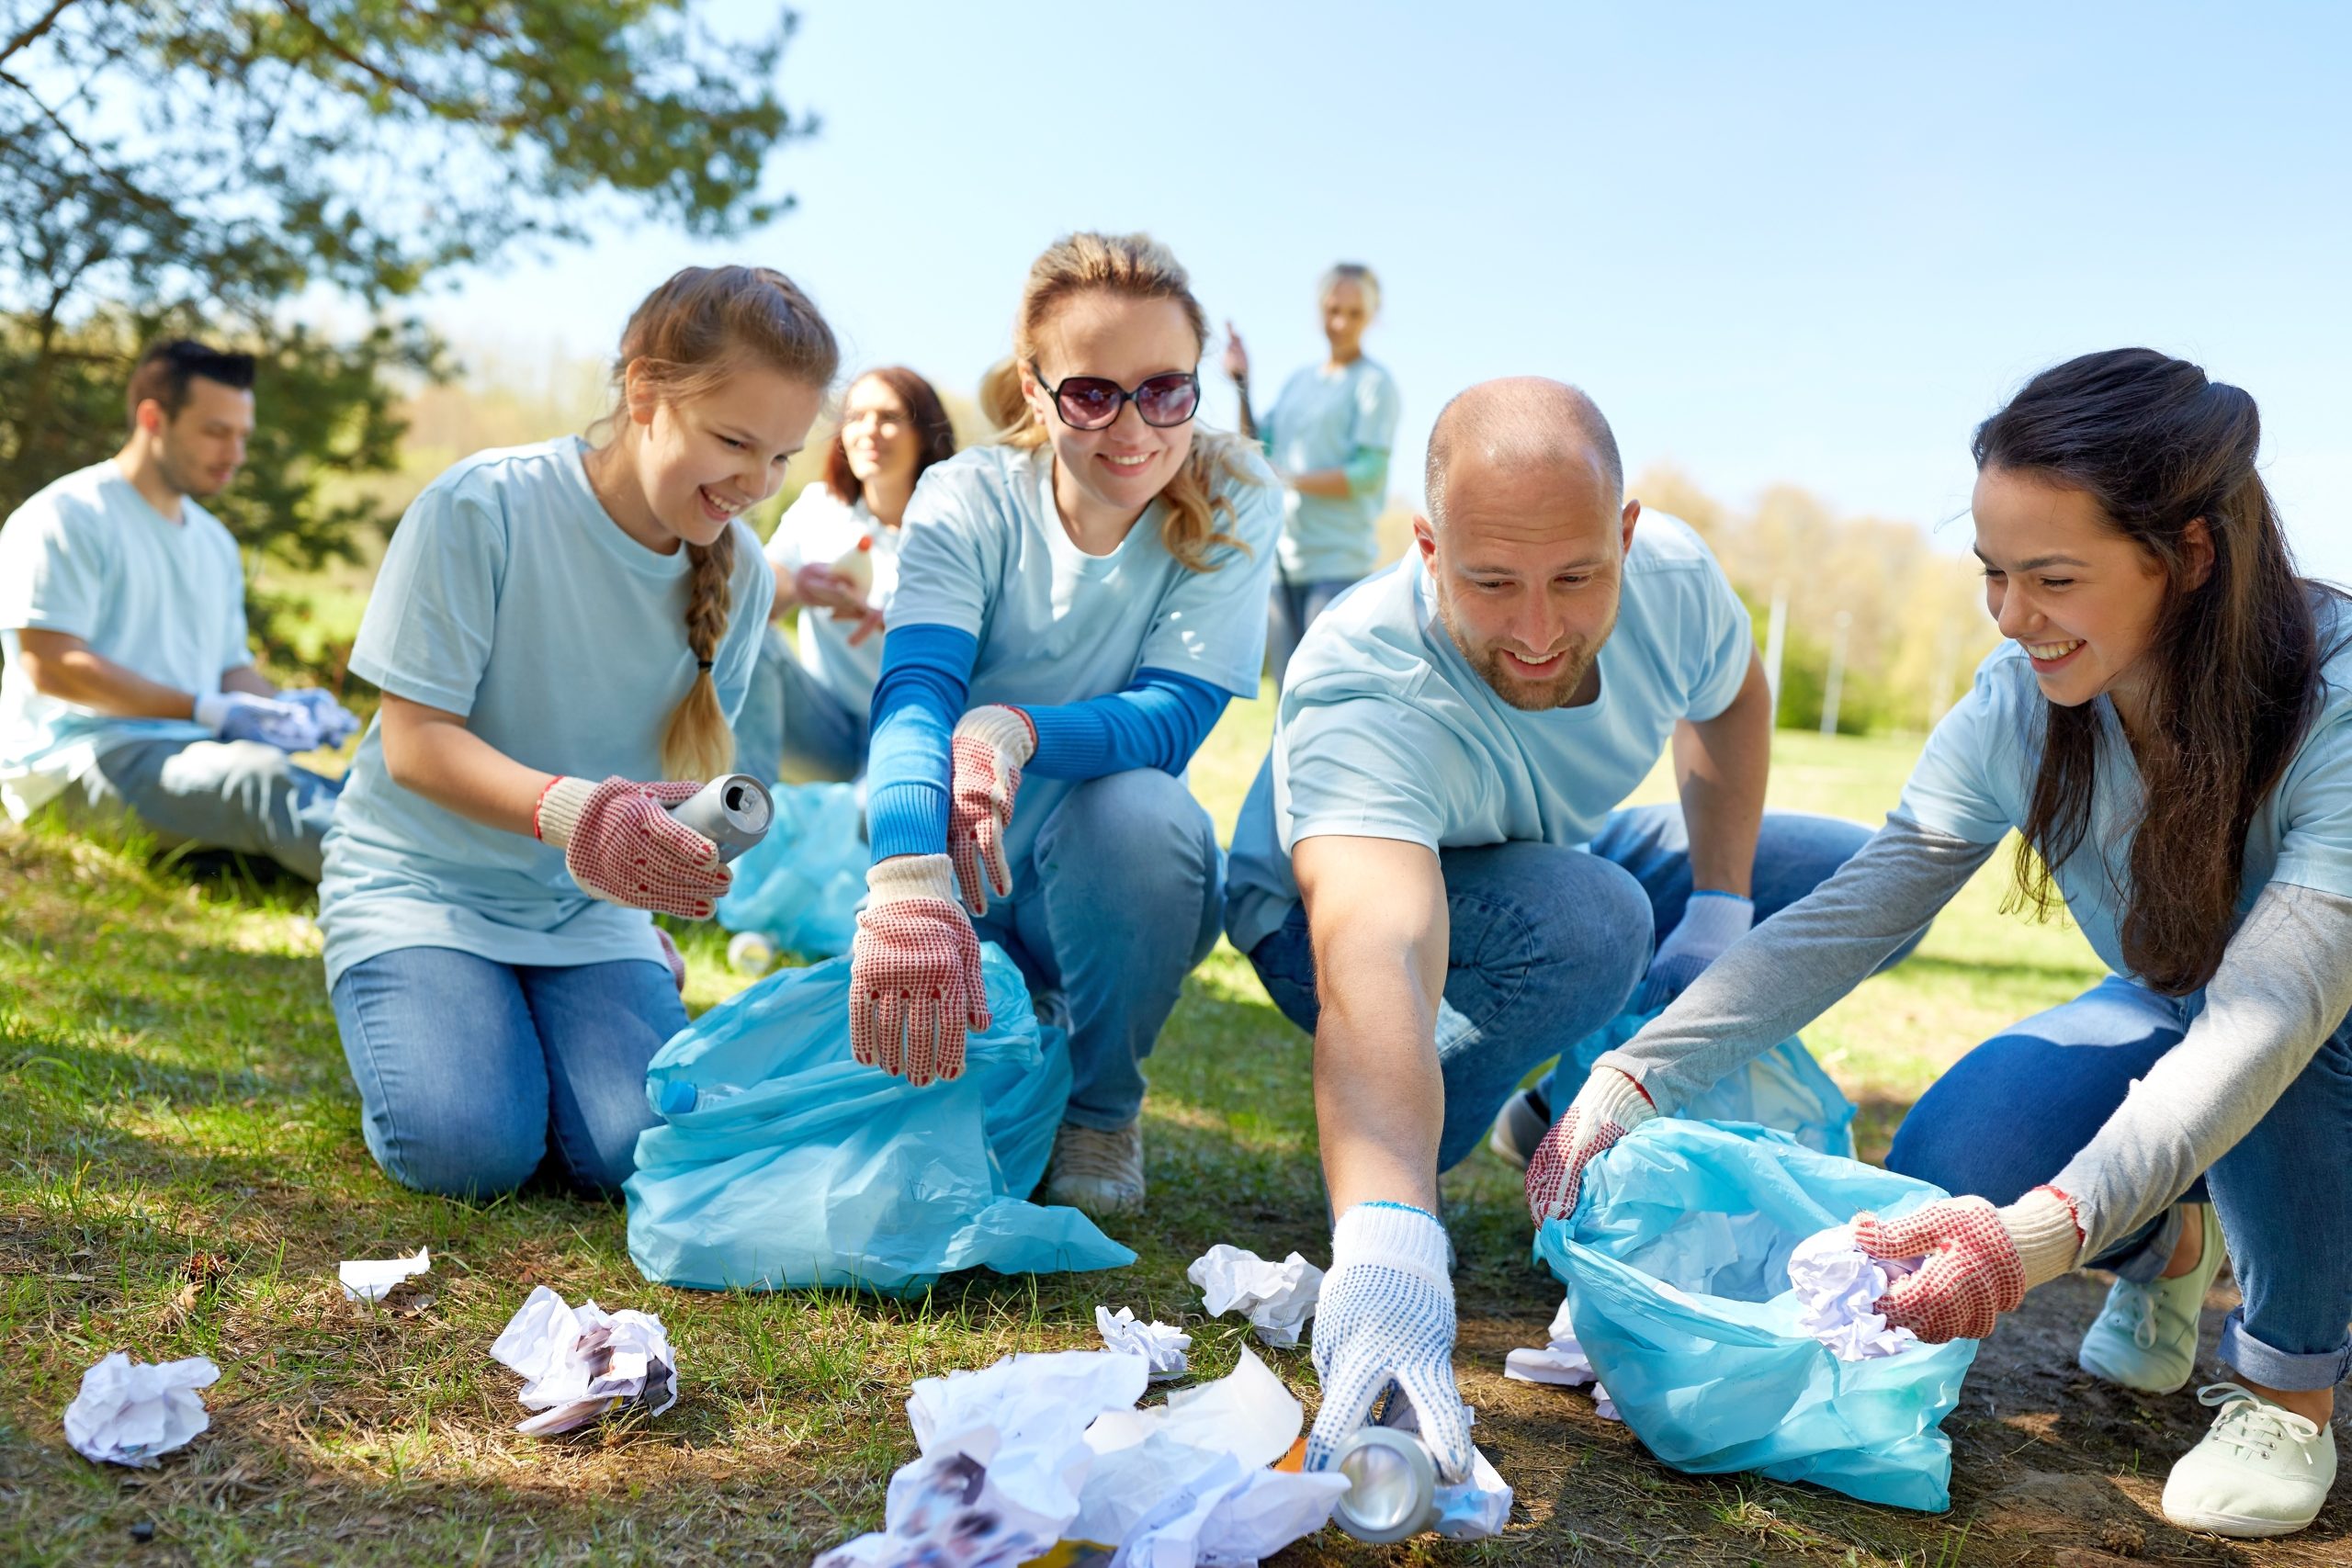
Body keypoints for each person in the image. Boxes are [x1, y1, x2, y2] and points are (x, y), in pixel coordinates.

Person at [1532, 348, 2352, 1540]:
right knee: (1956, 1151)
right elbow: (1859, 905)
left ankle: (2289, 1382)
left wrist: (2034, 1235)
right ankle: (2176, 1238)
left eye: (2053, 577)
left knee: (2285, 1055)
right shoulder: (2024, 697)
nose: (2014, 617)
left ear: (2188, 555)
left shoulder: (2334, 695)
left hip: (2320, 1026)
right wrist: (1638, 1071)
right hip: (2190, 1002)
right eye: (1993, 574)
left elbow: (2271, 1010)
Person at [1222, 376, 1927, 1482]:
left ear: (1627, 537)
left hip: (1551, 838)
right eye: (1492, 583)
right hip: (1350, 898)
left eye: (1578, 577)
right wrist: (1389, 1249)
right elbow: (1377, 949)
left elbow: (1730, 696)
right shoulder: (1361, 674)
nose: (1540, 632)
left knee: (1855, 885)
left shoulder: (1676, 578)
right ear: (1427, 545)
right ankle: (1440, 1135)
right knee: (1595, 922)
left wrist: (1720, 906)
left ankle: (1556, 1110)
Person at [316, 265, 836, 1198]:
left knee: (637, 1151)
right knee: (470, 1151)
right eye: (732, 441)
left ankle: (567, 1008)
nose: (755, 484)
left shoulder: (744, 577)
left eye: (782, 457)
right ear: (644, 391)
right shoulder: (484, 507)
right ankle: (432, 1010)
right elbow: (416, 744)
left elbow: (656, 771)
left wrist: (664, 861)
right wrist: (579, 817)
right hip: (423, 884)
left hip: (582, 910)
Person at [848, 231, 1279, 1216]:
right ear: (1035, 393)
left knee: (1146, 811)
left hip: (1101, 882)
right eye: (1091, 393)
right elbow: (914, 692)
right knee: (908, 1154)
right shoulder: (965, 497)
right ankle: (1005, 1005)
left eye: (1165, 390)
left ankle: (1101, 1104)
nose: (1133, 428)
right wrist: (909, 879)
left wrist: (1013, 728)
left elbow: (1172, 720)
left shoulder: (1237, 493)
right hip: (961, 861)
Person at [0, 339, 356, 877]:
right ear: (153, 418)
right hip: (74, 765)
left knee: (347, 779)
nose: (234, 454)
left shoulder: (213, 541)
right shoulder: (66, 516)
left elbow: (228, 670)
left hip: (191, 754)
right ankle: (422, 893)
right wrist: (203, 709)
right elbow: (49, 666)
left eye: (242, 436)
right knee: (259, 778)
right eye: (216, 432)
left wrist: (285, 708)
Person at [736, 367, 958, 782]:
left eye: (889, 418)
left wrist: (899, 629)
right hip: (824, 724)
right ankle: (745, 818)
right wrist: (799, 586)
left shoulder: (951, 533)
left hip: (909, 729)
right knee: (750, 639)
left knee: (872, 825)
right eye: (855, 417)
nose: (868, 431)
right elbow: (758, 595)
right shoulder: (820, 506)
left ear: (926, 433)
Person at [1221, 263, 1402, 685]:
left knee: (1325, 691)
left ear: (1372, 317)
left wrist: (1291, 479)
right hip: (1284, 564)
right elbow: (1255, 447)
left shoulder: (1374, 384)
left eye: (1354, 313)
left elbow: (1370, 473)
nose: (1340, 322)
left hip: (1338, 564)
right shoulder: (1298, 383)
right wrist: (1242, 383)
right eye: (1333, 309)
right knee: (1285, 694)